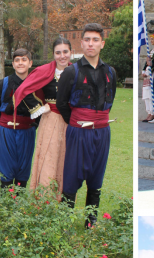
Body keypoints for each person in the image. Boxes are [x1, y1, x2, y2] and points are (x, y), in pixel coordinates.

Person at [56, 23, 117, 228]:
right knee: (71, 176)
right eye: (87, 40)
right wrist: (76, 122)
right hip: (78, 132)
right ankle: (64, 223)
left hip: (102, 132)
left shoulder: (111, 72)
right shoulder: (70, 72)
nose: (91, 44)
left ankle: (90, 223)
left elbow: (111, 99)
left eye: (95, 40)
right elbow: (61, 104)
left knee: (96, 177)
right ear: (81, 43)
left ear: (102, 43)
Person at [12, 37, 73, 199]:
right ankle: (45, 199)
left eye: (65, 52)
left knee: (66, 159)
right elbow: (24, 89)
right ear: (53, 54)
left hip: (71, 123)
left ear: (71, 53)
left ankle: (63, 199)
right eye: (58, 52)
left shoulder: (77, 71)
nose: (62, 56)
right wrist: (39, 108)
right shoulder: (44, 71)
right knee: (49, 158)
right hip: (51, 119)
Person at [0, 49, 42, 188]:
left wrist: (32, 125)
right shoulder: (3, 84)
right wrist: (3, 125)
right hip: (6, 131)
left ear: (30, 63)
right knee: (6, 169)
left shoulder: (36, 85)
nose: (21, 63)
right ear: (13, 64)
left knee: (23, 169)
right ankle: (6, 206)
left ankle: (19, 205)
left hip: (27, 131)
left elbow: (41, 109)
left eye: (24, 60)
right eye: (17, 60)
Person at [141, 34, 154, 123]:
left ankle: (152, 112)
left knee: (150, 94)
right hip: (147, 76)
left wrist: (149, 71)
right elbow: (146, 63)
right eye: (150, 39)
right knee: (146, 95)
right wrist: (143, 71)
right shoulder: (151, 50)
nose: (151, 40)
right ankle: (148, 112)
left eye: (153, 39)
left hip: (152, 74)